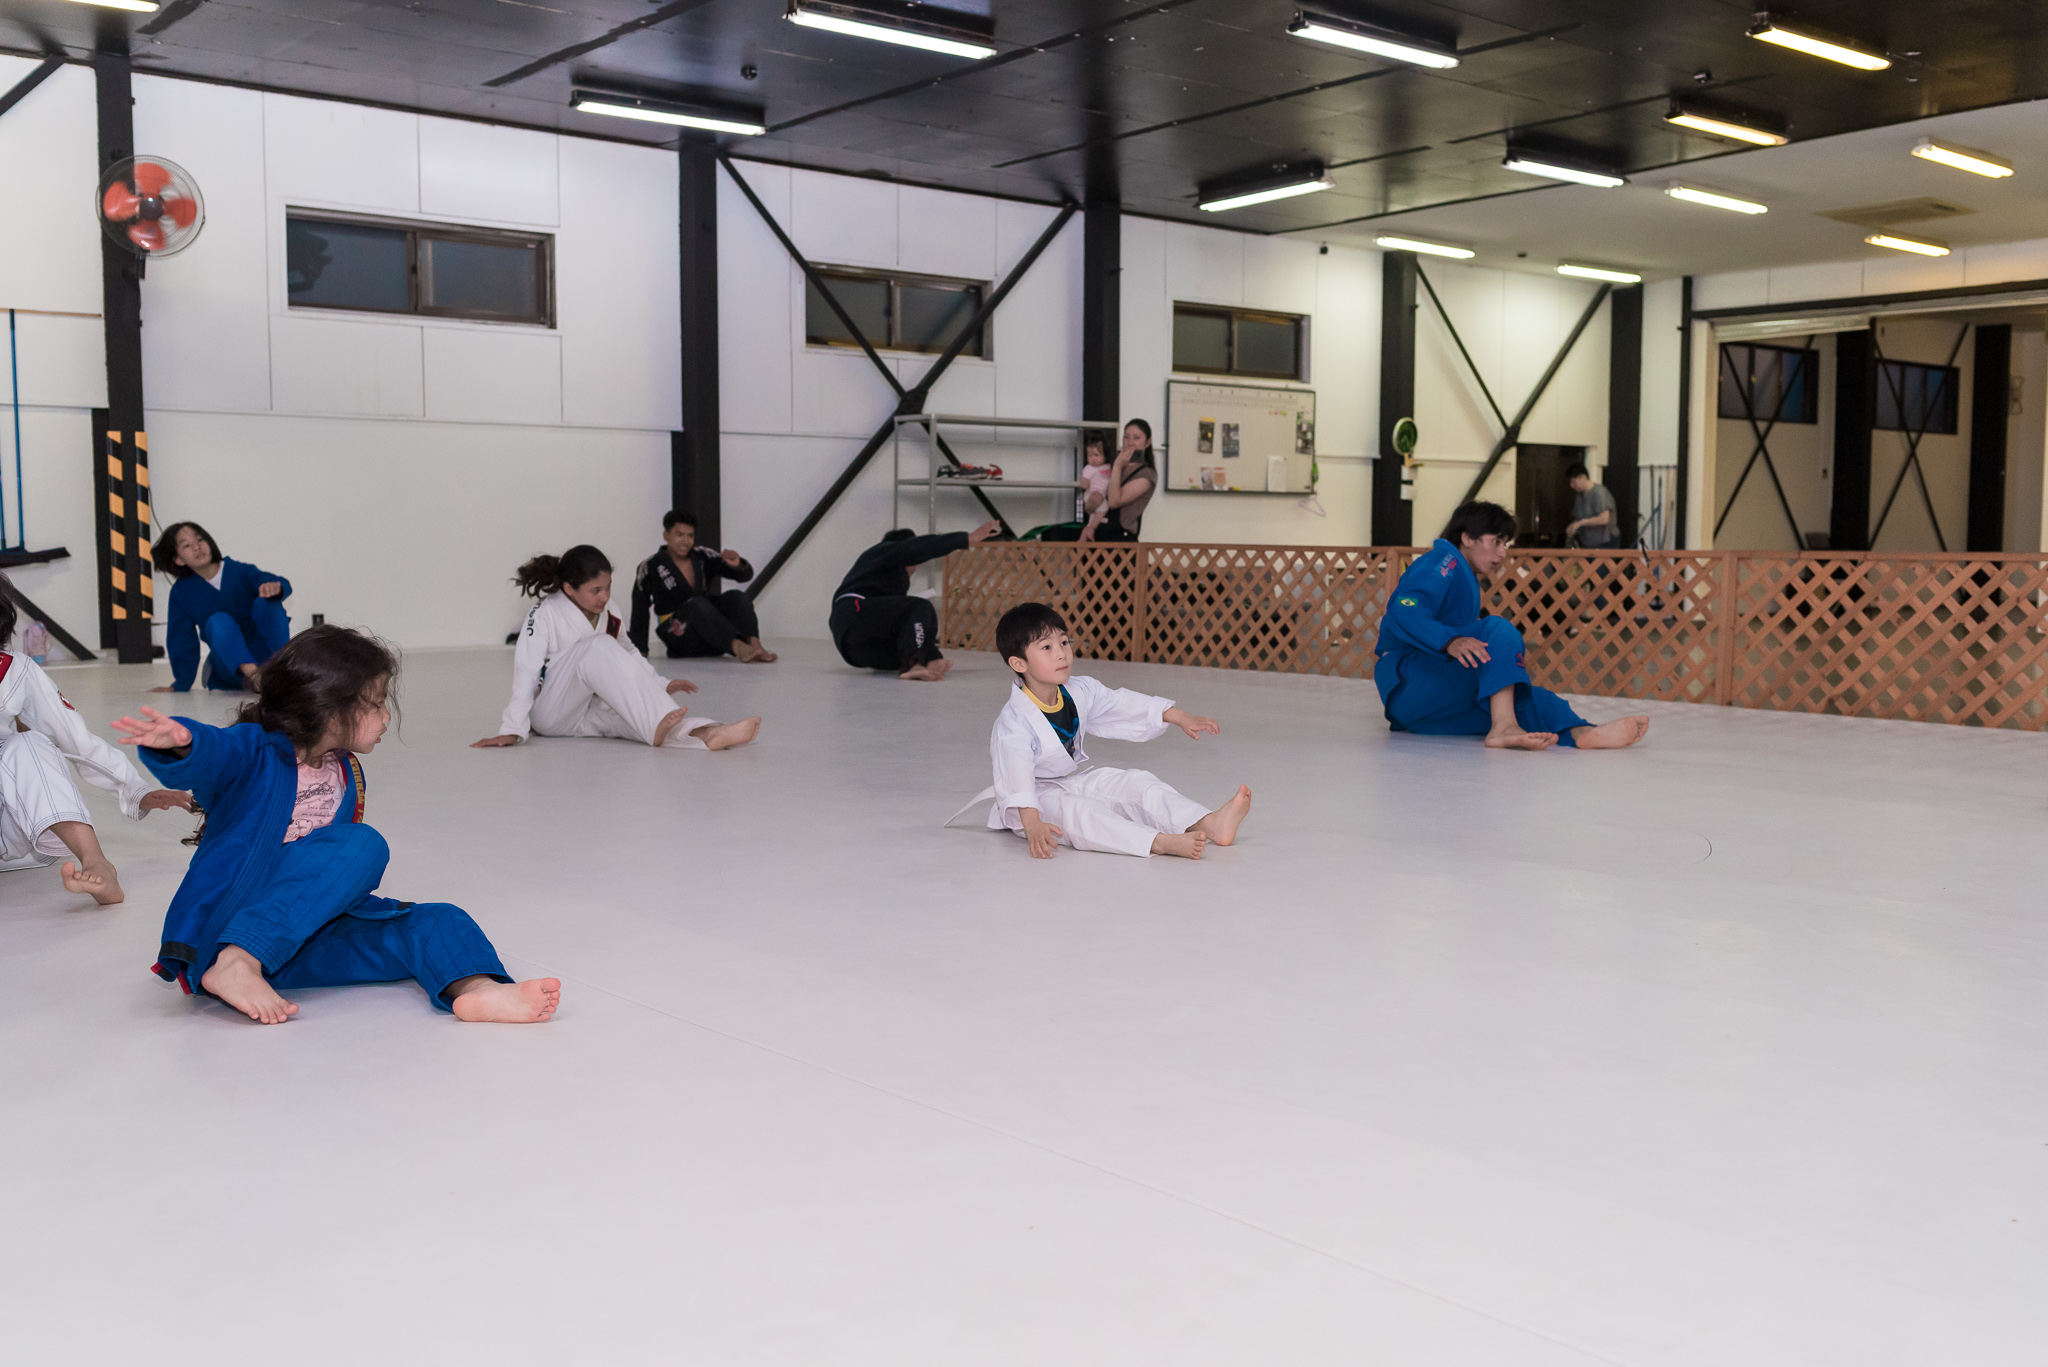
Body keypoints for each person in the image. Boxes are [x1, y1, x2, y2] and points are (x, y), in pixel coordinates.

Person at [112, 626, 560, 1024]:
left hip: (296, 941)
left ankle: (477, 989)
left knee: (437, 919)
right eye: (377, 704)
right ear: (328, 708)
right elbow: (217, 752)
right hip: (229, 929)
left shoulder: (343, 769)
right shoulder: (256, 752)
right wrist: (182, 743)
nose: (387, 717)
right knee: (361, 844)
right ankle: (237, 962)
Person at [976, 602, 1251, 859]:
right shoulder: (1013, 723)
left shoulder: (1079, 691)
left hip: (1066, 783)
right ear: (1019, 664)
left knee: (1135, 782)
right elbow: (1015, 774)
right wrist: (1032, 823)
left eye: (1064, 642)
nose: (1061, 653)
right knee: (1081, 812)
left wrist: (1178, 716)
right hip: (1031, 804)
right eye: (1046, 647)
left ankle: (1208, 823)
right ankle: (1158, 842)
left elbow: (1119, 704)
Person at [1374, 501, 1649, 751]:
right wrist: (1450, 641)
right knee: (1497, 630)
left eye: (1505, 544)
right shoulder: (1444, 560)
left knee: (1524, 697)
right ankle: (1504, 728)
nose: (1503, 553)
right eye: (1496, 542)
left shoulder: (1462, 572)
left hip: (1426, 709)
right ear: (1467, 538)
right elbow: (1404, 608)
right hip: (1408, 683)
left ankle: (1581, 733)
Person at [1, 581, 192, 903]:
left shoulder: (15, 670)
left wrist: (135, 790)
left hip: (10, 828)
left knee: (29, 745)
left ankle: (96, 862)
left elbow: (75, 739)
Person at [473, 545, 759, 752]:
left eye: (608, 587)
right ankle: (662, 722)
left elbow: (629, 653)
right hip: (552, 714)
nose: (604, 597)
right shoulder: (544, 613)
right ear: (569, 589)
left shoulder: (610, 610)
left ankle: (709, 734)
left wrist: (661, 683)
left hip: (590, 708)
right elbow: (526, 671)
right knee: (598, 645)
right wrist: (512, 729)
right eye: (595, 591)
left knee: (638, 719)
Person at [831, 519, 1000, 681]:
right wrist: (966, 538)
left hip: (854, 649)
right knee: (919, 607)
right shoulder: (885, 550)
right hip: (854, 611)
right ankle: (914, 665)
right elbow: (919, 547)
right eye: (914, 561)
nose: (916, 567)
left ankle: (926, 662)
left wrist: (933, 656)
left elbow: (905, 628)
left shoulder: (880, 570)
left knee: (908, 641)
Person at [150, 521, 293, 693]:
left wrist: (276, 588)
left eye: (200, 539)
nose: (197, 547)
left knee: (268, 602)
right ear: (178, 559)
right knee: (218, 621)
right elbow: (181, 639)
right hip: (231, 669)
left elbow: (279, 583)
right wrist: (181, 684)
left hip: (268, 661)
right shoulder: (181, 592)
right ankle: (257, 679)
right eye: (186, 545)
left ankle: (286, 671)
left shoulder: (240, 571)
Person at [628, 511, 776, 664]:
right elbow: (640, 607)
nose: (685, 541)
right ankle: (737, 646)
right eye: (679, 535)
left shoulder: (703, 555)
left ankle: (754, 644)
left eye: (690, 536)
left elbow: (744, 576)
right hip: (679, 636)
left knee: (737, 597)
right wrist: (640, 649)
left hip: (713, 635)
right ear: (666, 535)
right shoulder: (650, 566)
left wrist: (737, 564)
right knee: (697, 604)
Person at [1081, 419, 1158, 543]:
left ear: (1147, 442)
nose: (1130, 442)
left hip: (1120, 540)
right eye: (1126, 437)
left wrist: (1117, 466)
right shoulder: (1111, 465)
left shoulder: (1146, 474)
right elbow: (1095, 500)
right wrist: (1090, 506)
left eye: (1137, 438)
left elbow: (1114, 502)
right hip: (1098, 535)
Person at [1565, 462, 1619, 549]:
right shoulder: (1579, 496)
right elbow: (1578, 517)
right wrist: (1573, 526)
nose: (1572, 486)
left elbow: (1604, 519)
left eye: (1574, 482)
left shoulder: (1599, 493)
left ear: (1583, 477)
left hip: (1605, 542)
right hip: (1588, 543)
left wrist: (1580, 523)